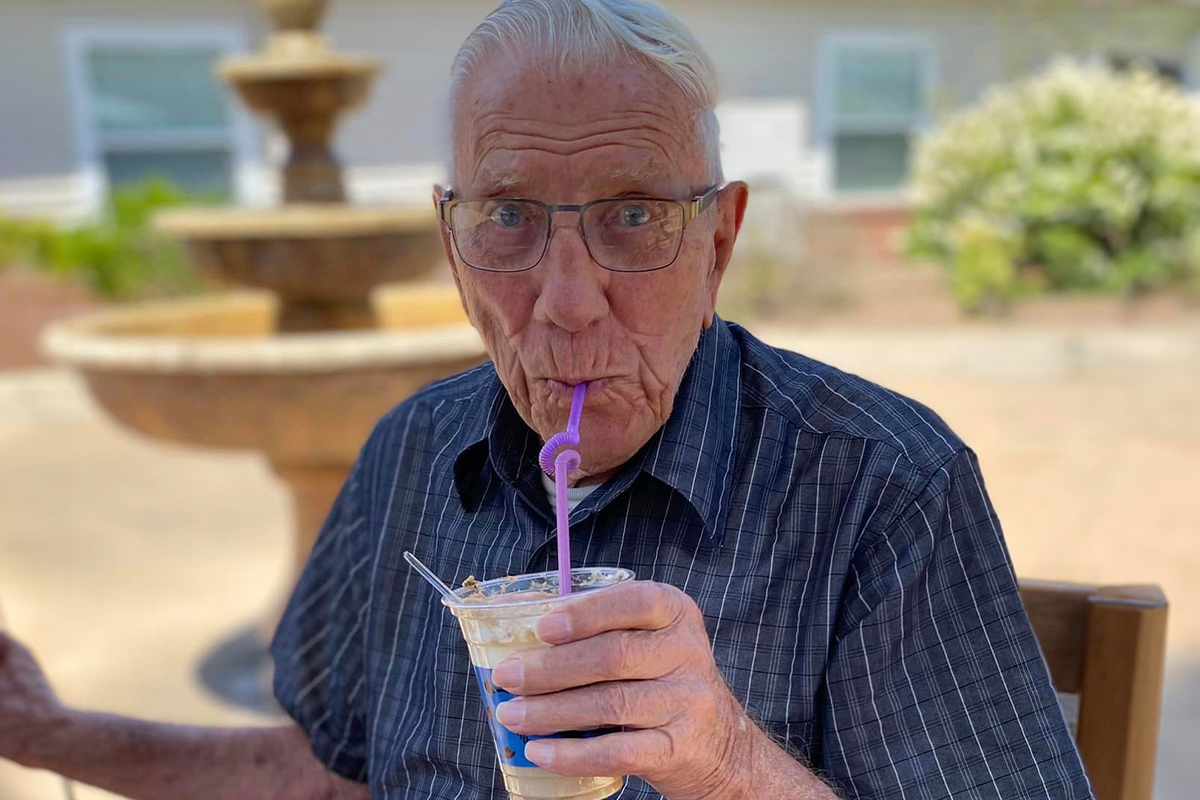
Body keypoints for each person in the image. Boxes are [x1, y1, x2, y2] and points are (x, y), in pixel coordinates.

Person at [0, 1, 1095, 798]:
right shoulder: (409, 456)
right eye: (510, 218)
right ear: (452, 243)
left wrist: (725, 757)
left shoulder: (883, 484)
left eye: (632, 216)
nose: (566, 305)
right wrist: (52, 733)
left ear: (719, 239)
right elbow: (326, 771)